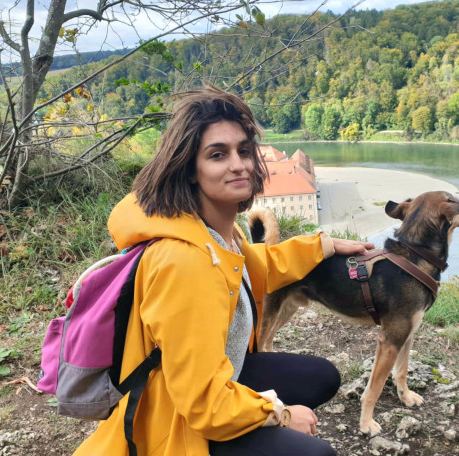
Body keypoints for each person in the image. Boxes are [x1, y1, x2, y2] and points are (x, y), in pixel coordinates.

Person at [74, 85, 373, 456]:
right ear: (190, 170)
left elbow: (254, 267)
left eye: (244, 151)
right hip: (178, 424)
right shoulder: (183, 262)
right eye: (218, 154)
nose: (239, 164)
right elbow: (202, 405)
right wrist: (279, 414)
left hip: (221, 374)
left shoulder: (216, 233)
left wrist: (323, 246)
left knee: (321, 377)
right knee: (317, 454)